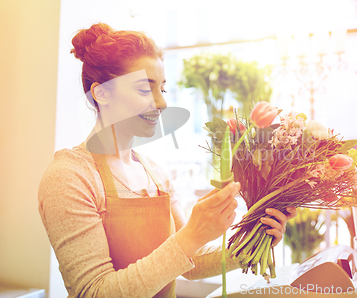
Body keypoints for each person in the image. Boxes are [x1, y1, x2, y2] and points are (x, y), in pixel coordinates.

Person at [38, 23, 296, 298]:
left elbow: (189, 265)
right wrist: (194, 234)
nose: (161, 103)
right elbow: (95, 292)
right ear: (101, 93)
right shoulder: (69, 176)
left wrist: (254, 239)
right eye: (144, 89)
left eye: (162, 89)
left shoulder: (155, 173)